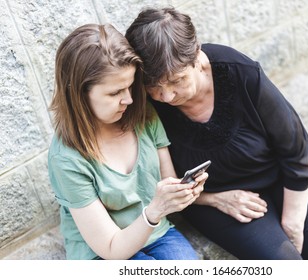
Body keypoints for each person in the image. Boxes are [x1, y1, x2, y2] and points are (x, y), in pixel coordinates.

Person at [125, 7, 308, 260]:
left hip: (285, 176)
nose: (167, 96)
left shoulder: (240, 71)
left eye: (177, 81)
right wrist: (215, 199)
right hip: (214, 198)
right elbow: (164, 182)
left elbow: (296, 150)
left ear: (197, 58)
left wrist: (292, 224)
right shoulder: (145, 101)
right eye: (154, 87)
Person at [48, 23, 207, 260]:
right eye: (114, 93)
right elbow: (112, 249)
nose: (129, 100)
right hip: (103, 252)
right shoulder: (67, 158)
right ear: (79, 94)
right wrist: (154, 211)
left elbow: (168, 180)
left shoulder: (144, 116)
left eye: (130, 86)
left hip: (155, 232)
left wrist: (182, 192)